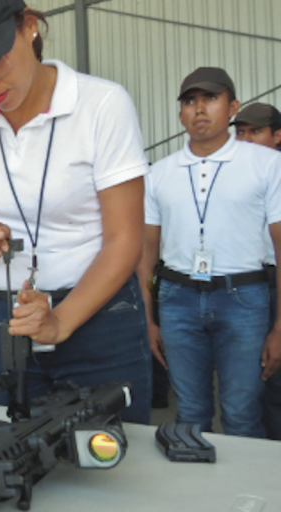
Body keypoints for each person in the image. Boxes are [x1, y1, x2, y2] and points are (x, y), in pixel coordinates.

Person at [0, 0, 152, 423]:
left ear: (28, 26)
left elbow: (124, 240)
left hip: (98, 319)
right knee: (8, 449)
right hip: (6, 318)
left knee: (104, 450)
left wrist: (60, 322)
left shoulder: (101, 105)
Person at [139, 67, 281, 438]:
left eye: (211, 99)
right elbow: (147, 252)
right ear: (180, 114)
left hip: (244, 298)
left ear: (232, 108)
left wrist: (280, 327)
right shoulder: (160, 174)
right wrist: (148, 319)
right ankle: (194, 475)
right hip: (177, 299)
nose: (199, 108)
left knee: (241, 413)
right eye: (190, 101)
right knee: (190, 412)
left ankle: (244, 479)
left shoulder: (267, 165)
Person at [232, 102, 281, 440]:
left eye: (256, 132)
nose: (246, 139)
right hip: (242, 289)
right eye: (240, 132)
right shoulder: (229, 178)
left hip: (274, 286)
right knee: (250, 384)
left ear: (277, 136)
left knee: (274, 381)